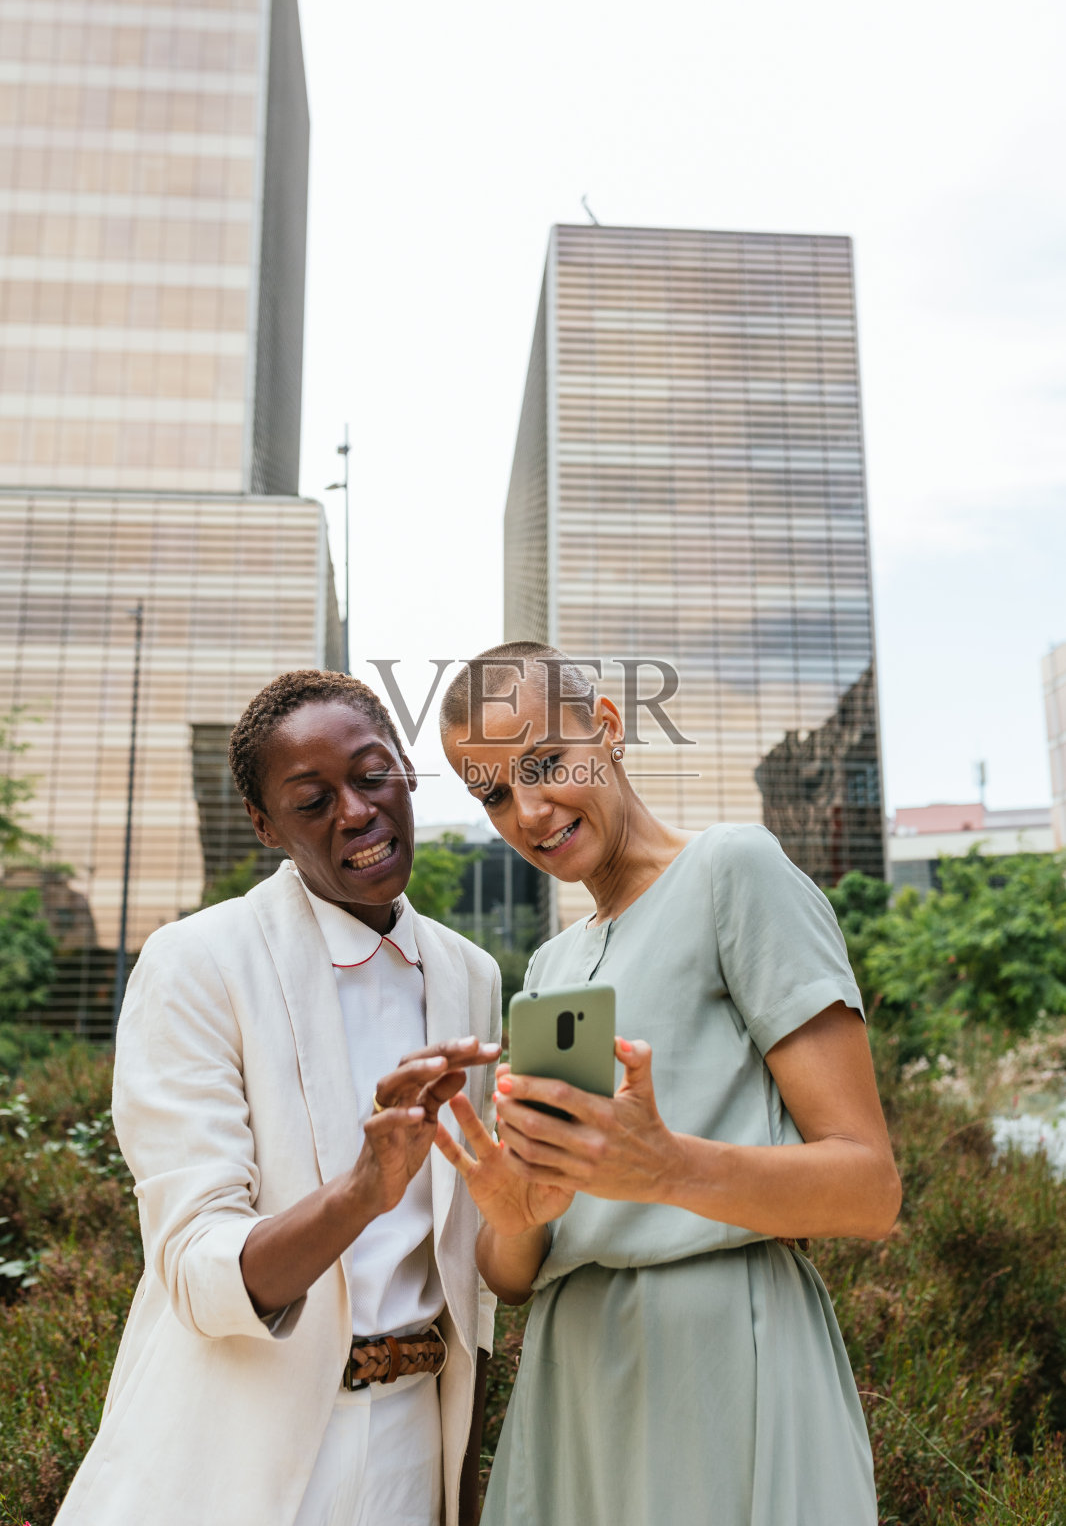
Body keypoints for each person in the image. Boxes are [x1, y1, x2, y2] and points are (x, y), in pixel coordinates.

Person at [435, 642, 902, 1526]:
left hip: (726, 1365)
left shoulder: (735, 870)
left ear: (607, 729)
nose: (529, 811)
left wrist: (669, 1170)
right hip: (573, 1387)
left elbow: (870, 1190)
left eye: (544, 763)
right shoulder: (548, 968)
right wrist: (513, 1213)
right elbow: (514, 1273)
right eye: (492, 792)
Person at [54, 670, 501, 1526]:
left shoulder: (470, 975)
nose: (357, 811)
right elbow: (195, 1267)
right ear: (264, 826)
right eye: (311, 799)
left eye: (371, 776)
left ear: (405, 770)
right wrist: (363, 1192)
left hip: (416, 1445)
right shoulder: (196, 964)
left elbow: (468, 1261)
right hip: (236, 1449)